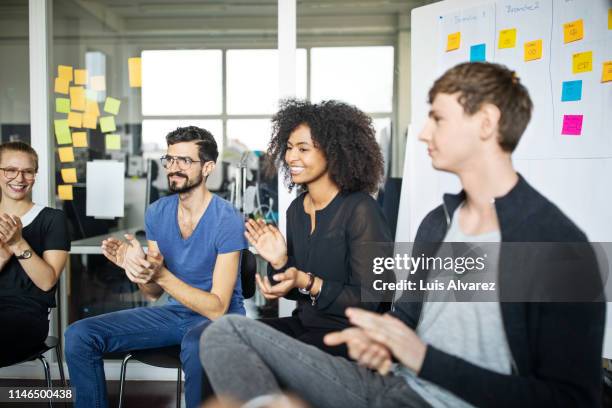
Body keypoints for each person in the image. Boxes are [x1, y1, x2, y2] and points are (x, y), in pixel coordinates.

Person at [200, 62, 605, 407]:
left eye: (438, 119)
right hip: (388, 384)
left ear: (487, 123)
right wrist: (381, 343)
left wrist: (421, 358)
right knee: (222, 335)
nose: (424, 133)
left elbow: (572, 399)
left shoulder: (558, 245)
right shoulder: (439, 221)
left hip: (428, 397)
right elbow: (403, 315)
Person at [65, 126, 247, 408]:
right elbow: (151, 291)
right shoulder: (157, 212)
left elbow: (217, 308)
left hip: (219, 320)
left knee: (196, 344)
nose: (174, 168)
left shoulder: (227, 219)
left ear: (208, 167)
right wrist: (138, 269)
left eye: (185, 161)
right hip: (174, 314)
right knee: (79, 335)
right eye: (170, 159)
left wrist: (160, 274)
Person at [241, 99, 393, 358]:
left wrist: (308, 281)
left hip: (352, 335)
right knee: (223, 336)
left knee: (266, 354)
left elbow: (371, 299)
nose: (291, 157)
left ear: (334, 153)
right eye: (289, 148)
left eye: (303, 148)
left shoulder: (361, 209)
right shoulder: (297, 210)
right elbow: (293, 292)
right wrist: (280, 262)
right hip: (305, 325)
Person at [0, 141, 70, 367]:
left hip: (26, 318)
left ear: (34, 175)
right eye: (10, 170)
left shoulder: (52, 219)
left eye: (27, 172)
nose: (19, 179)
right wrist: (2, 256)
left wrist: (18, 243)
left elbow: (47, 281)